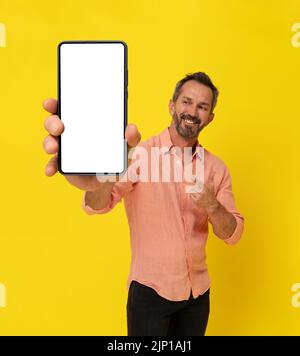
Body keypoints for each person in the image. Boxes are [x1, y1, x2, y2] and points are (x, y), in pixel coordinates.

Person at [43, 72, 244, 336]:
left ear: (210, 117)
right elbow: (96, 205)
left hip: (198, 295)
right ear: (172, 105)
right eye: (187, 102)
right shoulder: (137, 155)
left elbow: (233, 234)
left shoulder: (217, 168)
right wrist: (107, 176)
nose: (192, 111)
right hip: (150, 293)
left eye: (202, 106)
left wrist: (212, 205)